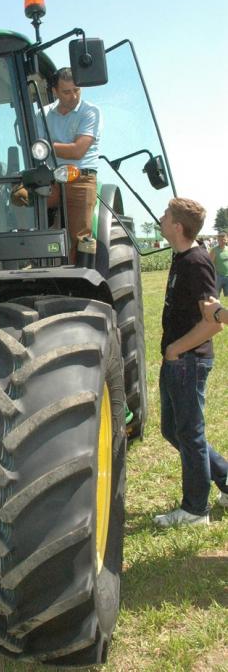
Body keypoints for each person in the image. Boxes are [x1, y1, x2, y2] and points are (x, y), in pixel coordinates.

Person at [154, 198, 228, 528]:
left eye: (166, 215)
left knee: (190, 435)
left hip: (188, 362)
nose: (160, 218)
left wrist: (175, 350)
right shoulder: (182, 256)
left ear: (177, 226)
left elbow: (212, 322)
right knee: (175, 430)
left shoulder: (196, 262)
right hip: (178, 361)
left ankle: (196, 510)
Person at [12, 67, 102, 262]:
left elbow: (78, 150)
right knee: (19, 196)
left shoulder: (91, 112)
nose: (73, 96)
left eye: (77, 90)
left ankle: (81, 279)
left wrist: (45, 147)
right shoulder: (41, 114)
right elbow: (33, 149)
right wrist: (42, 149)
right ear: (54, 91)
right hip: (50, 178)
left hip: (80, 178)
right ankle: (28, 254)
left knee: (80, 237)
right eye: (67, 92)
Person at [209, 231, 228, 296]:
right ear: (217, 240)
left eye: (224, 239)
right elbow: (210, 264)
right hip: (218, 277)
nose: (222, 241)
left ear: (227, 240)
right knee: (216, 295)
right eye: (220, 240)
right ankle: (217, 306)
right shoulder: (214, 250)